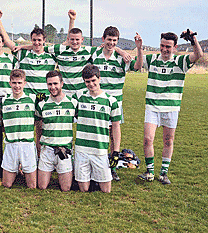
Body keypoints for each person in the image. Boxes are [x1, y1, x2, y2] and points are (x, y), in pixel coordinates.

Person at [134, 30, 203, 185]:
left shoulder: (180, 61)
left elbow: (198, 55)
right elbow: (138, 65)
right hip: (152, 106)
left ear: (175, 47)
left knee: (168, 140)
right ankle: (150, 172)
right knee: (147, 139)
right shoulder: (152, 59)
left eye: (168, 46)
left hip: (171, 108)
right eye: (162, 45)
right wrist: (139, 48)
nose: (164, 49)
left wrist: (193, 40)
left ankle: (163, 173)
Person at [44, 10, 131, 97]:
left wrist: (122, 52)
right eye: (72, 39)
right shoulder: (60, 50)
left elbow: (109, 47)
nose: (75, 42)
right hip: (65, 94)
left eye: (77, 39)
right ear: (69, 39)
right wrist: (29, 47)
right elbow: (40, 47)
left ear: (82, 40)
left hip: (82, 94)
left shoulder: (88, 51)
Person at [91, 26, 136, 181]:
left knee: (112, 134)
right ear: (103, 39)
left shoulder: (122, 58)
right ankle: (98, 165)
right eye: (108, 40)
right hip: (98, 102)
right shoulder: (94, 55)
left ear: (117, 42)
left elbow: (136, 67)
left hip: (116, 103)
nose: (111, 43)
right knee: (97, 134)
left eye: (114, 41)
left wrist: (122, 51)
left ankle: (113, 167)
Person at [73, 65, 121, 193]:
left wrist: (115, 151)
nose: (91, 84)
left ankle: (94, 177)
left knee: (106, 190)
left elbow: (116, 127)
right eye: (87, 82)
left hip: (100, 149)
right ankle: (88, 178)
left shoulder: (111, 101)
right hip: (82, 149)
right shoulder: (78, 97)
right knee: (84, 189)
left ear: (99, 79)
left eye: (93, 80)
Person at [0, 10, 56, 95]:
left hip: (45, 98)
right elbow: (7, 41)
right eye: (34, 40)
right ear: (31, 40)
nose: (36, 42)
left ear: (44, 40)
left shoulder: (51, 55)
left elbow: (67, 45)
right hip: (27, 98)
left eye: (39, 40)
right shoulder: (24, 54)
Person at [35, 71, 76, 191]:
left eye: (55, 83)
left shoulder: (72, 103)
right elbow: (38, 127)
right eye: (49, 84)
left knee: (66, 188)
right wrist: (39, 146)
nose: (52, 87)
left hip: (64, 149)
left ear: (62, 83)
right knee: (42, 186)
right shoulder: (42, 104)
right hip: (47, 149)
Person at [1, 69, 37, 189]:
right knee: (7, 184)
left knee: (32, 186)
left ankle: (22, 169)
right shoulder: (4, 100)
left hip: (27, 145)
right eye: (14, 83)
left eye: (20, 83)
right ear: (10, 83)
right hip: (11, 144)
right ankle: (16, 170)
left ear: (24, 83)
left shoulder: (32, 99)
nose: (17, 86)